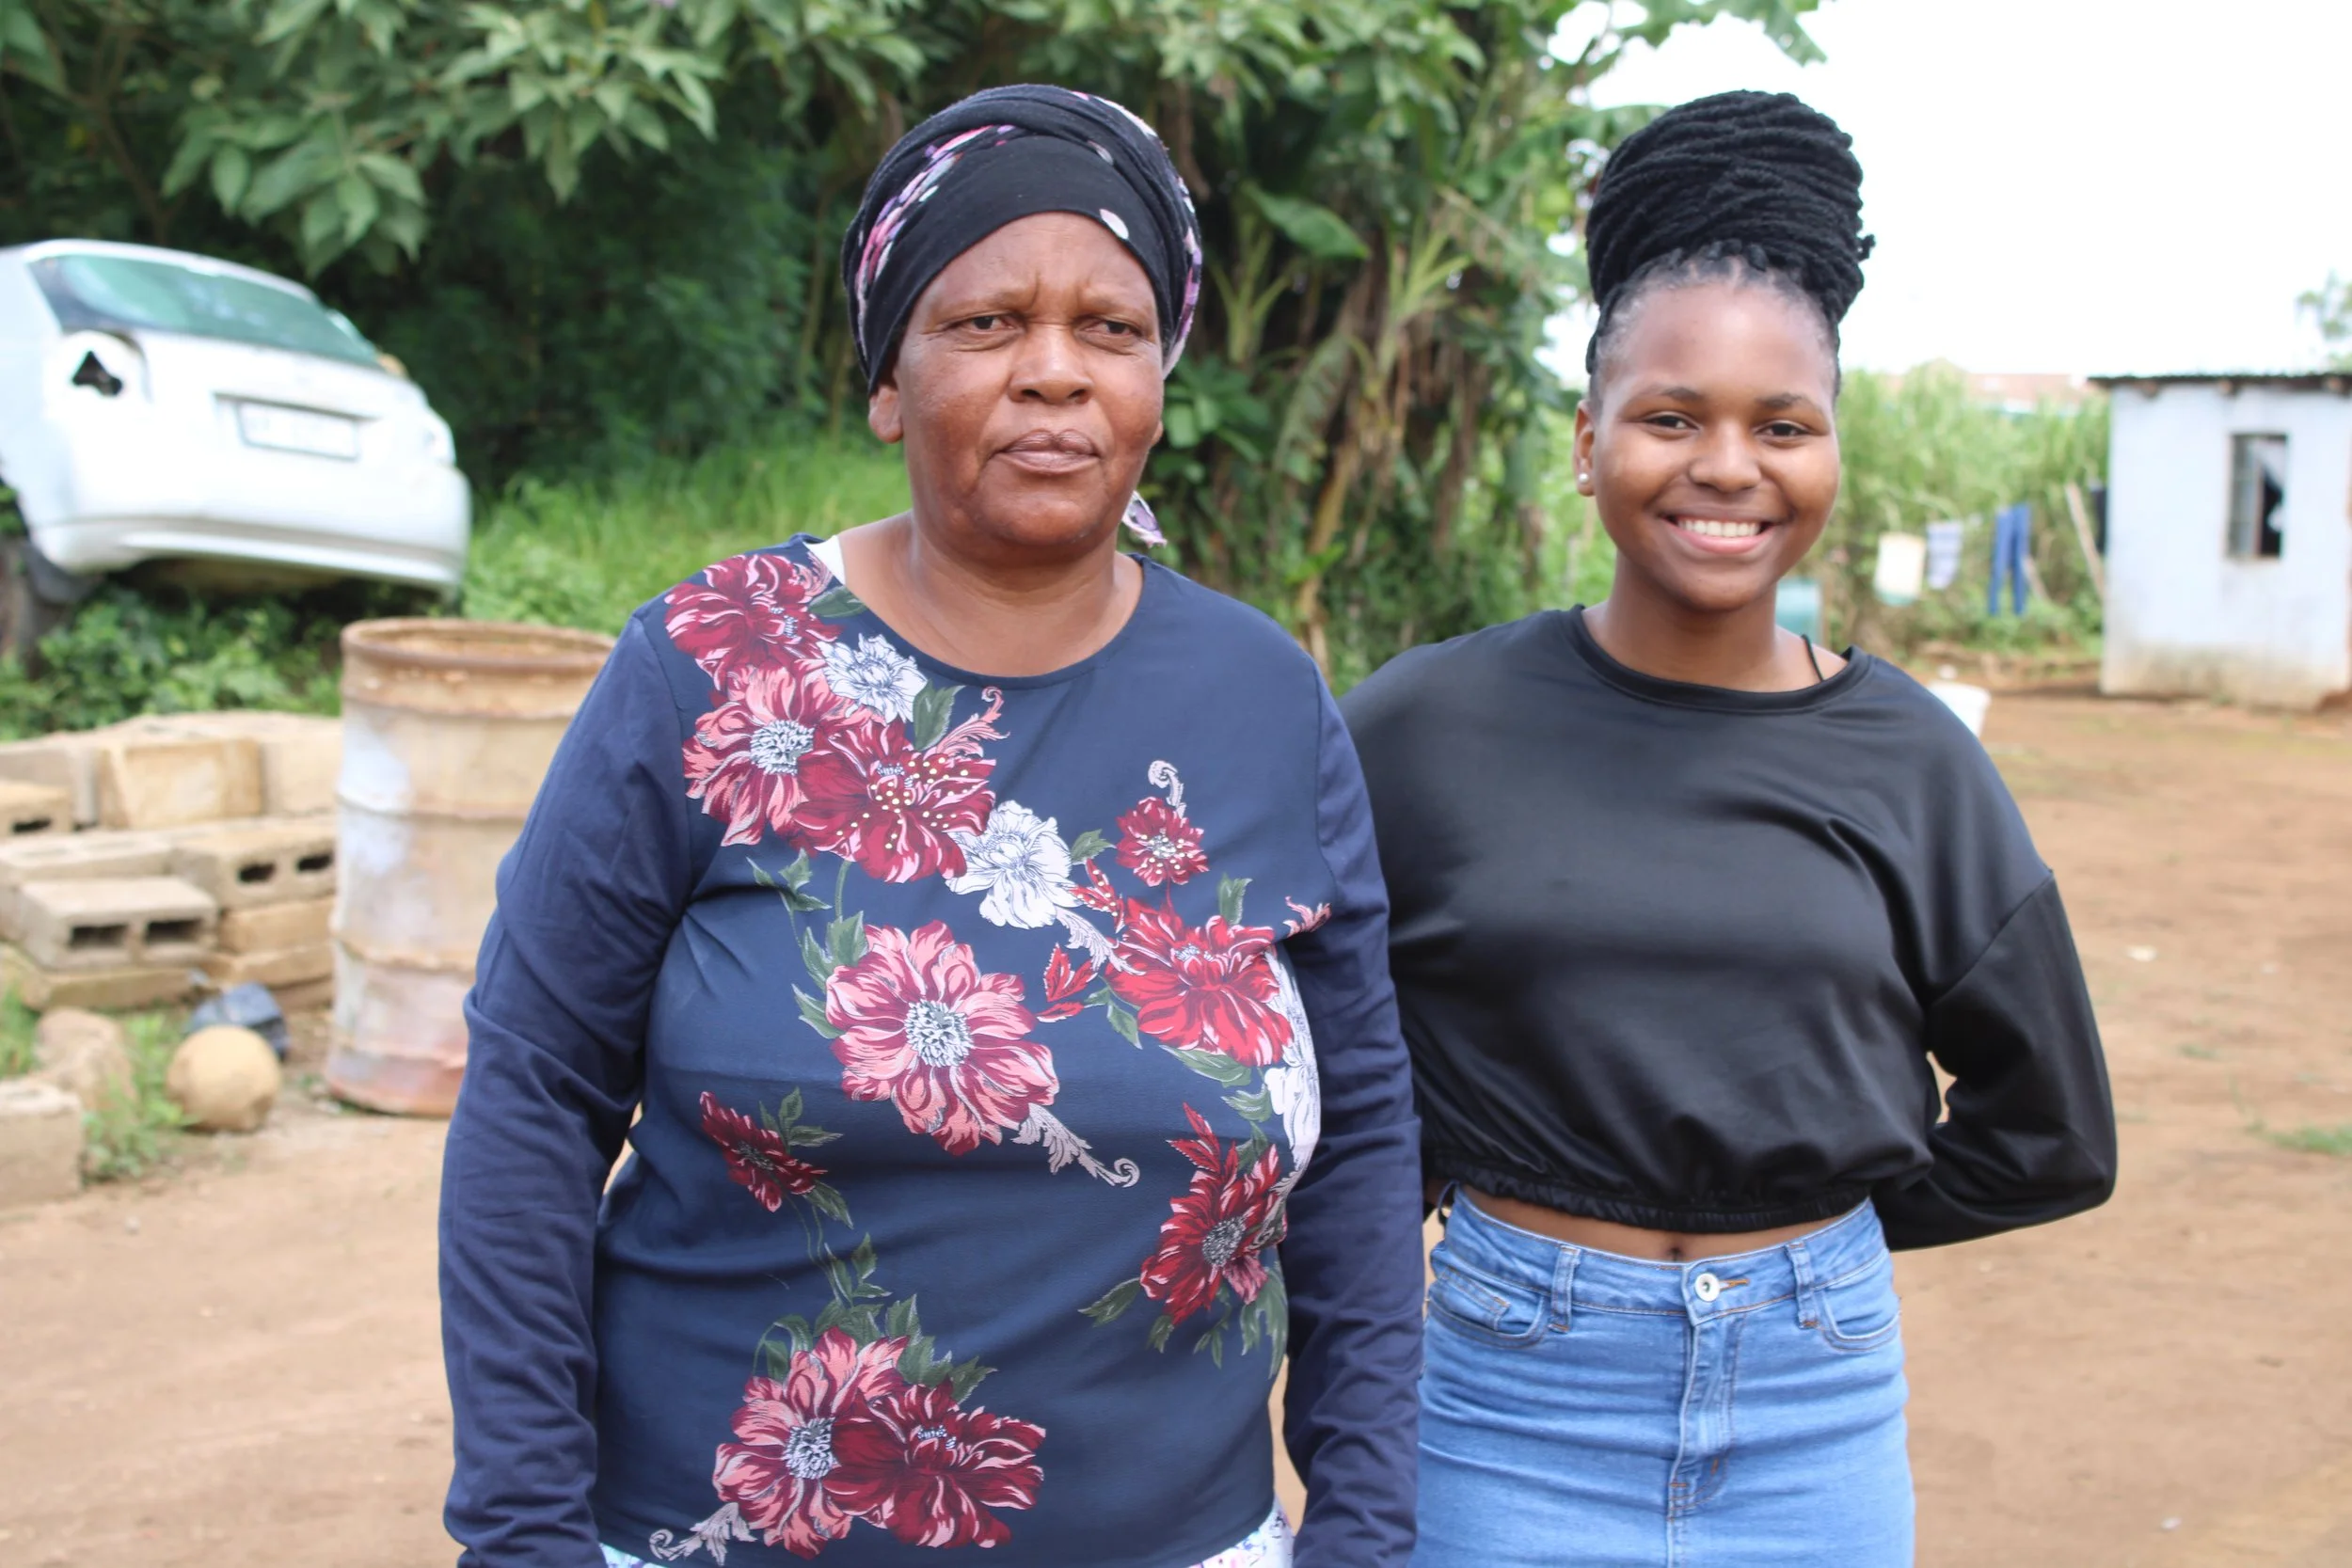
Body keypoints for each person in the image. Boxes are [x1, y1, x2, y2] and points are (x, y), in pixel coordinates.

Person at [438, 85, 1425, 1568]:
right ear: (889, 378)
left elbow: (1356, 1149)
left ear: (1161, 378)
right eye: (985, 325)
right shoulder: (711, 662)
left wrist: (1361, 1529)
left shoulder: (1264, 700)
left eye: (1111, 329)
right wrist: (520, 1536)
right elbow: (529, 1101)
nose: (1055, 373)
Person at [1342, 91, 2117, 1568]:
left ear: (1833, 452)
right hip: (1506, 1397)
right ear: (1586, 442)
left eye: (1783, 425)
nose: (1726, 467)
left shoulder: (1913, 762)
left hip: (1812, 1413)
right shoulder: (1423, 729)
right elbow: (1321, 1067)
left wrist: (1807, 1235)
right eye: (1670, 416)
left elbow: (2049, 1133)